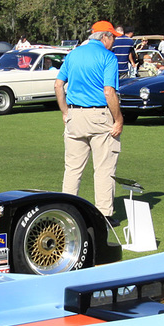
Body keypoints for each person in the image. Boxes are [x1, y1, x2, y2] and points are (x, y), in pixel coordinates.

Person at [53, 21, 124, 220]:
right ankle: (104, 215)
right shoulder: (108, 57)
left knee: (73, 168)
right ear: (104, 37)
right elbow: (109, 91)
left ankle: (65, 212)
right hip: (100, 115)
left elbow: (58, 85)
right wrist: (118, 119)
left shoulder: (74, 54)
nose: (113, 43)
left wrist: (65, 112)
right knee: (104, 168)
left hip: (75, 115)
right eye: (112, 38)